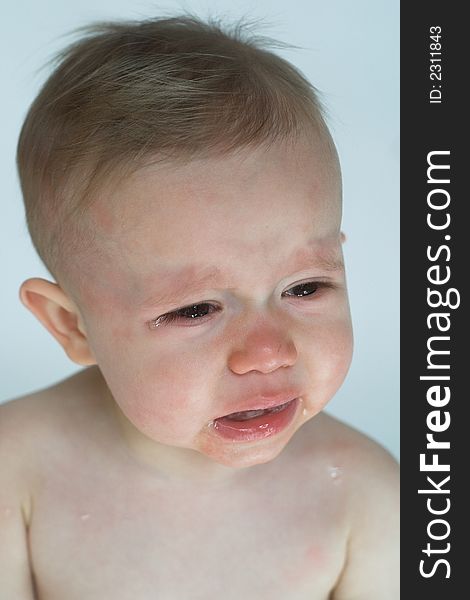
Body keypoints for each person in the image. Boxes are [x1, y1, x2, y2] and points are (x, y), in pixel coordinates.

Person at [0, 14, 399, 599]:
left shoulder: (365, 498)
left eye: (305, 288)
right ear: (71, 324)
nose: (268, 353)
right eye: (195, 310)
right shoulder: (18, 471)